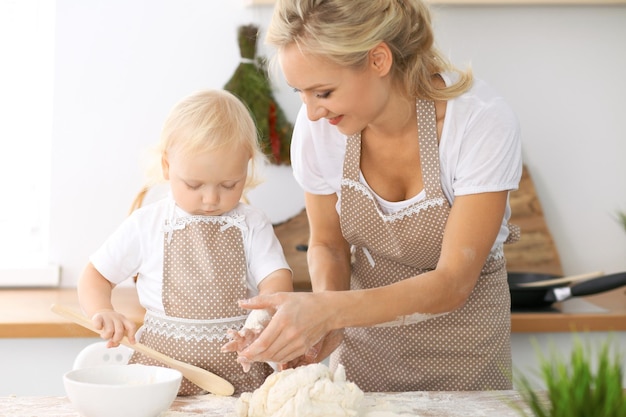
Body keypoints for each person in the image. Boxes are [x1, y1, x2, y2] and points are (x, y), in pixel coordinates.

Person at [223, 0, 522, 392]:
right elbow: (328, 244)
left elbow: (453, 282)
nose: (311, 113)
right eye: (301, 93)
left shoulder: (478, 122)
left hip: (468, 357)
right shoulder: (322, 132)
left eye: (323, 91)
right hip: (364, 360)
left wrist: (328, 311)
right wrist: (322, 325)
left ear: (378, 60)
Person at [77, 89, 293, 395]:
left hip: (238, 368)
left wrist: (260, 320)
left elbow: (276, 279)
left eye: (229, 184)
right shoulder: (147, 224)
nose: (211, 198)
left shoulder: (251, 223)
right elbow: (95, 275)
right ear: (167, 166)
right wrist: (102, 309)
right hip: (161, 371)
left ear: (247, 165)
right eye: (194, 184)